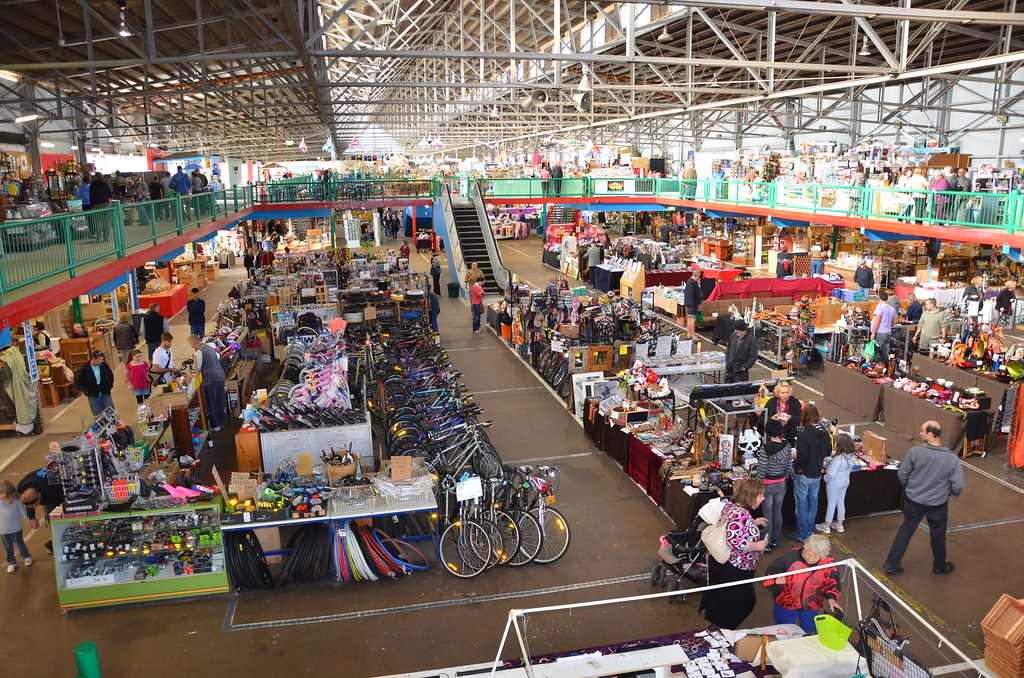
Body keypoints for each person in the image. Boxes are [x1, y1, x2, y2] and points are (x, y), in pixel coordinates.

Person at [883, 421, 963, 576]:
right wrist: (949, 494)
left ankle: (892, 564)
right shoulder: (951, 458)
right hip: (938, 504)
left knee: (906, 530)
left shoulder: (915, 452)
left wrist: (910, 488)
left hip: (914, 501)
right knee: (938, 534)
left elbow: (902, 474)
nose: (920, 433)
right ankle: (939, 566)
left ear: (931, 434)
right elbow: (958, 485)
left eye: (922, 431)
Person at [698, 478, 768, 629]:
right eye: (760, 495)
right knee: (742, 602)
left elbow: (732, 526)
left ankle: (717, 628)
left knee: (722, 600)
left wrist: (752, 523)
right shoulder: (741, 515)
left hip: (722, 565)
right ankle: (724, 630)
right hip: (734, 568)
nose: (763, 498)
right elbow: (736, 542)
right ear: (750, 497)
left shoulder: (731, 507)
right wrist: (758, 545)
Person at [764, 534, 842, 634]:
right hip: (786, 603)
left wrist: (831, 598)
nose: (810, 559)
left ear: (823, 556)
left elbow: (833, 583)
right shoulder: (790, 558)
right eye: (809, 554)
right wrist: (776, 582)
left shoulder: (828, 564)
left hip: (812, 604)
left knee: (810, 631)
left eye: (815, 557)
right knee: (783, 630)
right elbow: (769, 577)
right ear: (805, 548)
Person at [791, 403, 832, 543]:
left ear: (805, 416)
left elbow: (801, 457)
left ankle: (802, 534)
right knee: (813, 503)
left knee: (802, 505)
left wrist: (793, 456)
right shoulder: (825, 432)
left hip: (803, 473)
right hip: (817, 473)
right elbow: (828, 452)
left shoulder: (804, 435)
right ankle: (809, 530)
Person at [757, 419, 793, 554]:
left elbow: (762, 469)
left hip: (767, 485)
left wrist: (758, 484)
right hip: (781, 483)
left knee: (767, 514)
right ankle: (775, 540)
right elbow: (789, 465)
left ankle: (766, 543)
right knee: (778, 512)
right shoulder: (787, 445)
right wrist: (785, 480)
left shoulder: (766, 448)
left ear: (767, 432)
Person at [818, 432, 857, 534]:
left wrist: (825, 478)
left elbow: (831, 474)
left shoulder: (838, 459)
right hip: (845, 482)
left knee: (831, 503)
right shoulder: (851, 456)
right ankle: (840, 525)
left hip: (834, 484)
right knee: (840, 502)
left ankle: (826, 526)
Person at [18, 469, 64, 552]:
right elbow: (29, 503)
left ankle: (59, 538)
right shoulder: (21, 487)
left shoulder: (50, 492)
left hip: (57, 486)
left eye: (34, 505)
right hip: (41, 481)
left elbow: (60, 504)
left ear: (39, 496)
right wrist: (31, 517)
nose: (32, 507)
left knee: (55, 517)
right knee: (50, 517)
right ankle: (55, 538)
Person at [188, 335, 226, 432]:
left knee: (211, 402)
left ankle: (215, 425)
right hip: (220, 376)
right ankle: (220, 422)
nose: (192, 347)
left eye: (191, 345)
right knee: (219, 400)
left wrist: (194, 381)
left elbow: (197, 370)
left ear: (195, 343)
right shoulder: (210, 347)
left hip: (209, 380)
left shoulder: (198, 353)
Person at [0, 480, 31, 572]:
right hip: (3, 530)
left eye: (1, 493)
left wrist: (29, 521)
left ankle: (26, 556)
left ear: (8, 492)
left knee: (19, 543)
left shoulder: (16, 502)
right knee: (7, 547)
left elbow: (24, 512)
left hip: (16, 528)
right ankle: (12, 562)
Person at [74, 350, 116, 416]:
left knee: (110, 411)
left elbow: (110, 376)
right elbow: (77, 381)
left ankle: (111, 425)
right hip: (93, 395)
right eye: (100, 359)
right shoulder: (84, 369)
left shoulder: (104, 366)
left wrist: (109, 386)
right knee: (97, 414)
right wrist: (86, 390)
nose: (102, 361)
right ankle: (101, 426)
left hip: (105, 393)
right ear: (93, 359)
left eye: (102, 359)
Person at [760, 381, 802, 446]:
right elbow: (761, 418)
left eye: (787, 392)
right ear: (778, 393)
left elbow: (801, 419)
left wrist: (791, 418)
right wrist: (771, 419)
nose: (785, 395)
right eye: (782, 393)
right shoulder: (771, 402)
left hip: (790, 438)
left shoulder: (795, 402)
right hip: (774, 438)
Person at [871, 291, 898, 364]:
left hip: (880, 332)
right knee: (885, 351)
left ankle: (878, 367)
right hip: (888, 332)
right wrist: (889, 324)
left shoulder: (879, 308)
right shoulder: (892, 308)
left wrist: (873, 333)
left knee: (877, 351)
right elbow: (895, 320)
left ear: (879, 298)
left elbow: (877, 321)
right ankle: (885, 367)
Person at [88, 172, 112, 240]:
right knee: (106, 221)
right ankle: (106, 236)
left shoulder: (92, 185)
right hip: (105, 203)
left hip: (96, 204)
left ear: (96, 177)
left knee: (96, 221)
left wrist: (92, 204)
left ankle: (98, 235)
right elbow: (110, 194)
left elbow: (91, 196)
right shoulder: (106, 184)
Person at [683, 270, 703, 340]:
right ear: (697, 275)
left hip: (691, 303)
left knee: (689, 318)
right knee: (692, 319)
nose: (699, 278)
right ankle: (692, 334)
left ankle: (689, 333)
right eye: (699, 276)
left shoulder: (691, 282)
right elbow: (690, 295)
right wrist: (693, 306)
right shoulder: (691, 283)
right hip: (692, 304)